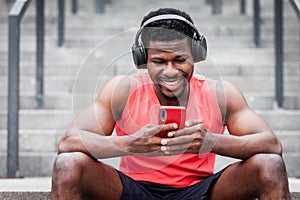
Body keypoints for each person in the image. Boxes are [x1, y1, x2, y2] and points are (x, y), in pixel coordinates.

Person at [51, 8, 290, 200]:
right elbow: (69, 141)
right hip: (134, 189)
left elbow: (271, 145)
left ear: (196, 55)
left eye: (180, 60)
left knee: (269, 165)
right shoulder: (123, 89)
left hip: (201, 190)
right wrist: (129, 144)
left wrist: (211, 142)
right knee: (68, 163)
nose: (170, 71)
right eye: (159, 61)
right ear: (143, 60)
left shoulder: (220, 93)